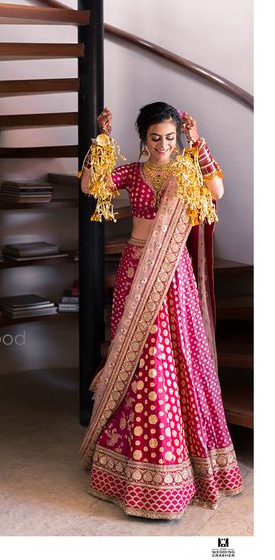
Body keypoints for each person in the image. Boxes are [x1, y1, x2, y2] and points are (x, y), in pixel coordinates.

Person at [78, 102, 243, 520]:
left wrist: (199, 145)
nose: (163, 146)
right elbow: (89, 186)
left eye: (170, 138)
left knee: (174, 354)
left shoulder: (187, 170)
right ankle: (132, 464)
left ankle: (178, 465)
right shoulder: (134, 172)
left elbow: (218, 191)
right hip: (137, 265)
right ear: (143, 138)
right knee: (139, 356)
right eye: (156, 138)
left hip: (172, 270)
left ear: (178, 137)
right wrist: (101, 144)